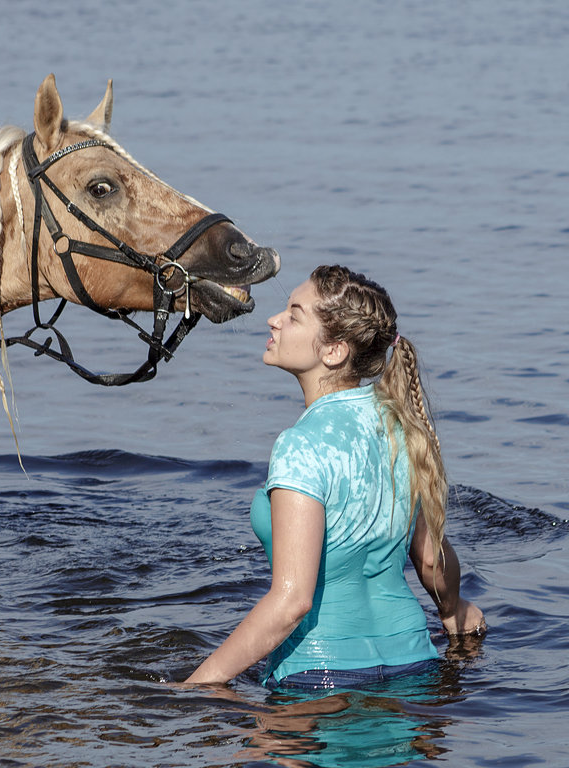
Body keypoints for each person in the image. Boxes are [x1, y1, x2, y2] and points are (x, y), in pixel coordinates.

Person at [184, 265, 486, 688]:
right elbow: (432, 560)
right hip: (415, 666)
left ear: (334, 351)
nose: (275, 319)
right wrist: (454, 610)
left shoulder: (300, 444)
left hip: (319, 678)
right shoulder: (403, 429)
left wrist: (194, 689)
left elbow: (291, 602)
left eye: (294, 314)